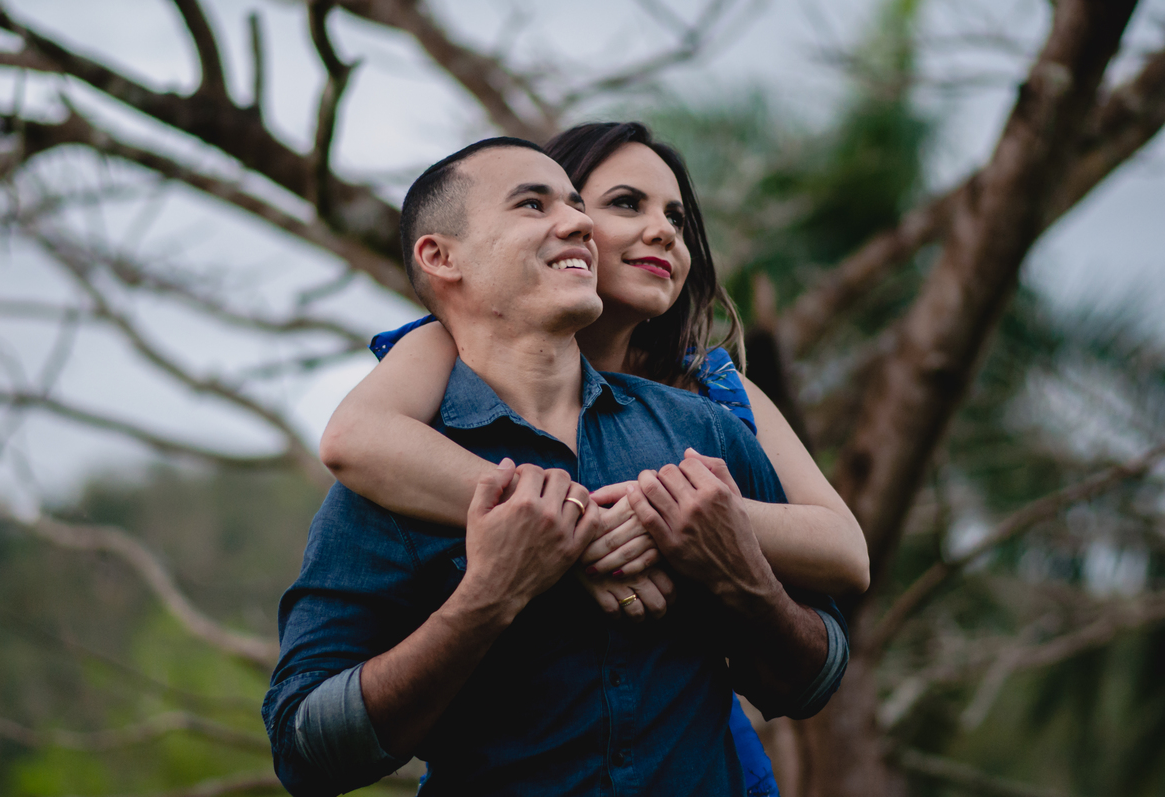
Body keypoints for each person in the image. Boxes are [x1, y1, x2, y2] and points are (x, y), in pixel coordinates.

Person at [263, 137, 848, 796]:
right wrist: (490, 596)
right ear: (441, 255)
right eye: (534, 204)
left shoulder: (704, 425)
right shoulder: (397, 470)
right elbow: (303, 750)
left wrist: (739, 570)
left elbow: (816, 673)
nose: (578, 226)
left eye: (576, 205)